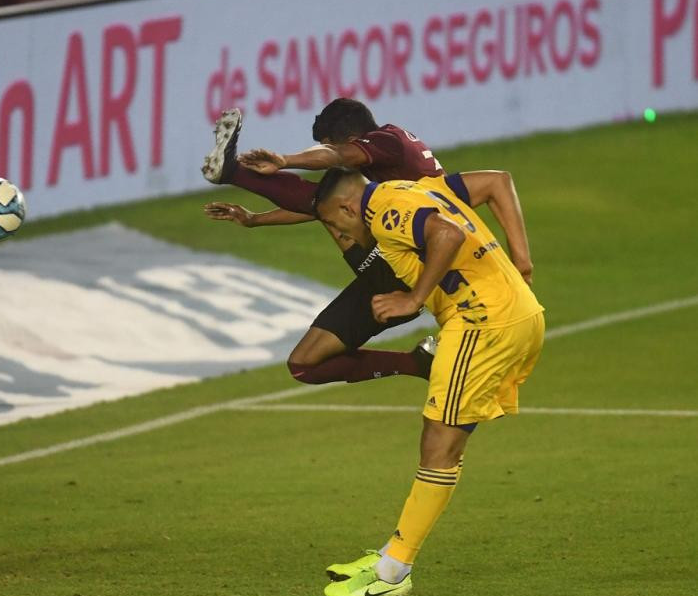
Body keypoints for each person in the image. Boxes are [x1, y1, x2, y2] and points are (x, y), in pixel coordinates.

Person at [310, 167, 544, 596]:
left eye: (332, 223)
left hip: (481, 323)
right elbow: (499, 180)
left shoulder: (383, 213)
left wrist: (413, 298)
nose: (337, 232)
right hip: (519, 313)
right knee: (443, 441)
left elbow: (447, 234)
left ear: (346, 206)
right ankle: (391, 555)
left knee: (439, 446)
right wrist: (523, 259)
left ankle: (395, 571)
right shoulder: (421, 187)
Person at [201, 98, 533, 387]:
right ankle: (417, 364)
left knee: (332, 205)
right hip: (389, 273)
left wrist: (287, 161)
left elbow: (330, 179)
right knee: (303, 366)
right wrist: (255, 219)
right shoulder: (394, 176)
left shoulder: (388, 143)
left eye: (327, 145)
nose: (327, 153)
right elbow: (327, 207)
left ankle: (231, 172)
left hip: (406, 273)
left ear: (346, 138)